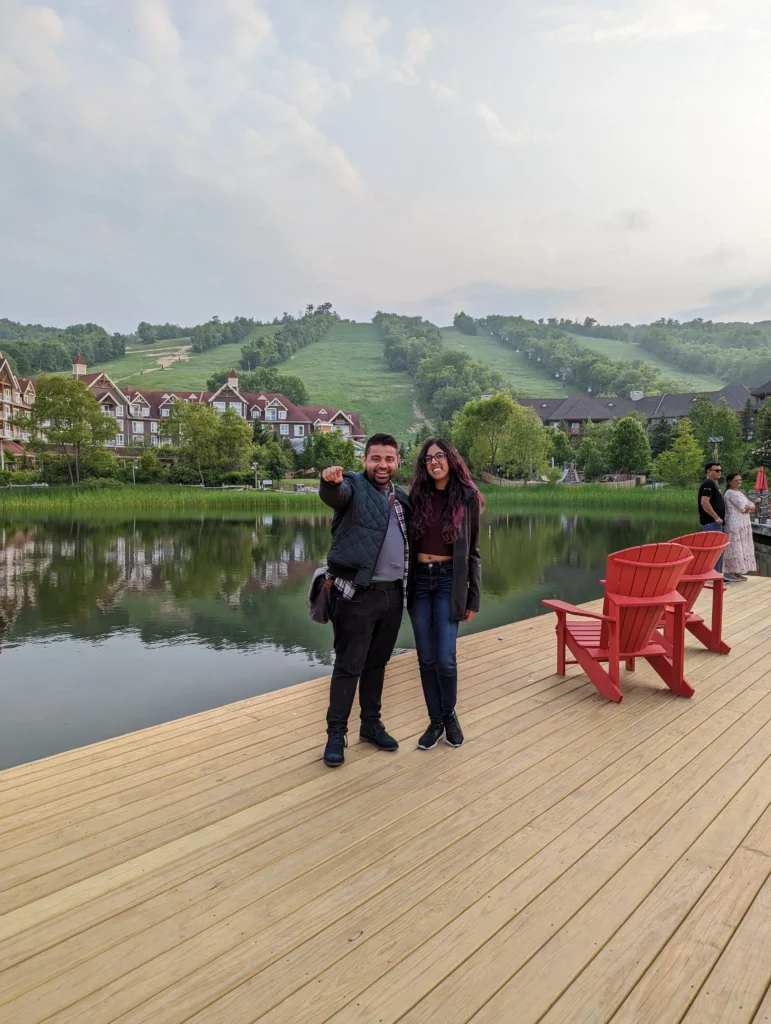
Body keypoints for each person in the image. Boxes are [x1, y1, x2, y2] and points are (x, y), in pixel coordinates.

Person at [318, 434, 411, 767]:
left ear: (398, 461)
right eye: (376, 459)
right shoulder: (354, 485)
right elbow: (335, 495)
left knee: (377, 664)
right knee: (348, 666)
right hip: (356, 594)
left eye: (389, 459)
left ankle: (370, 726)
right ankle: (335, 735)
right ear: (365, 461)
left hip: (392, 596)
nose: (382, 465)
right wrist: (328, 483)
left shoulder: (402, 497)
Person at [407, 438, 483, 751]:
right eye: (428, 459)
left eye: (440, 456)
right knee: (425, 658)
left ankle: (449, 716)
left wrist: (473, 597)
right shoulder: (417, 496)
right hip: (420, 583)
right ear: (423, 466)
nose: (435, 462)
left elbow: (474, 551)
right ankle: (435, 721)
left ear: (451, 459)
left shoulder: (467, 497)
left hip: (450, 581)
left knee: (445, 658)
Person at [723, 472, 757, 581]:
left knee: (742, 546)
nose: (739, 482)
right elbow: (743, 508)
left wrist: (751, 506)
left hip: (743, 522)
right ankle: (729, 571)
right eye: (736, 480)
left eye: (740, 480)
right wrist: (750, 507)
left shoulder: (739, 493)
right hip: (735, 523)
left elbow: (751, 504)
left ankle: (737, 571)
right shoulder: (729, 493)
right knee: (734, 546)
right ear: (729, 482)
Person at [698, 462, 729, 578]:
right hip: (712, 523)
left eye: (720, 470)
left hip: (715, 523)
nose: (719, 472)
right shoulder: (708, 483)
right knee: (714, 552)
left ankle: (715, 574)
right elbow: (704, 502)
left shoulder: (713, 484)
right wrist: (716, 517)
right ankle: (712, 576)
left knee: (717, 551)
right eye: (716, 470)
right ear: (708, 471)